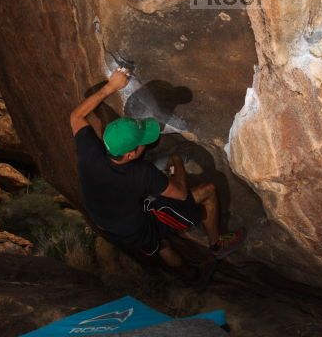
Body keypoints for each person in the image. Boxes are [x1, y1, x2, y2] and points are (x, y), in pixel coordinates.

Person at [69, 67, 244, 283]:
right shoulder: (141, 174)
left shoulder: (90, 154)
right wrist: (177, 163)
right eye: (142, 142)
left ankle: (192, 278)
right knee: (207, 192)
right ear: (131, 154)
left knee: (160, 244)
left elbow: (76, 116)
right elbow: (180, 194)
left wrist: (111, 87)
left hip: (106, 223)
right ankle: (217, 245)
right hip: (135, 224)